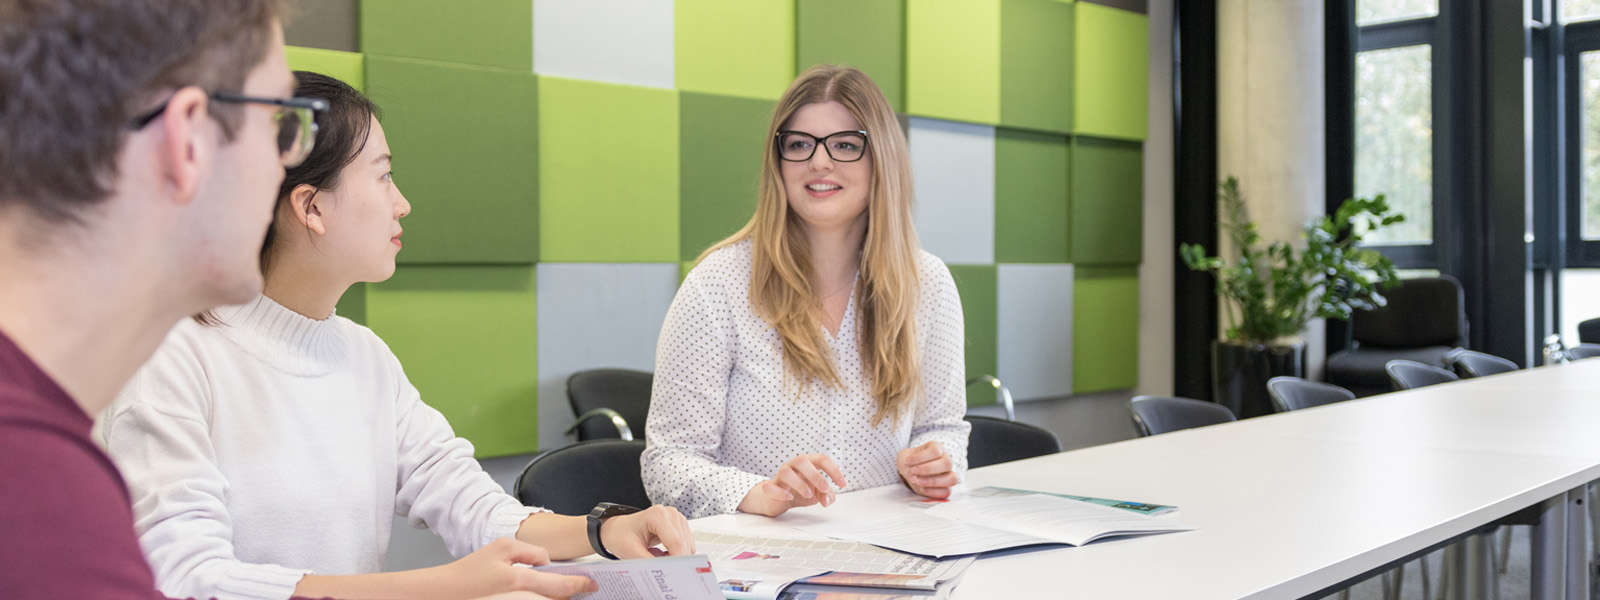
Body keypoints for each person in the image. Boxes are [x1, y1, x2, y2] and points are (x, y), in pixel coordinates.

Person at [97, 71, 694, 600]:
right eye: (382, 178)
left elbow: (465, 499)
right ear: (311, 207)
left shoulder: (362, 354)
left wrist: (603, 529)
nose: (402, 204)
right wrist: (434, 588)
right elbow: (186, 579)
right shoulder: (168, 355)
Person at [641, 64, 972, 519]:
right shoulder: (717, 286)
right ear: (777, 162)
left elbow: (944, 429)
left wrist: (935, 462)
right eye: (799, 145)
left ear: (883, 159)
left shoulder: (927, 284)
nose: (819, 161)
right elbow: (667, 465)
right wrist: (761, 492)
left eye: (845, 145)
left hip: (891, 553)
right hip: (760, 564)